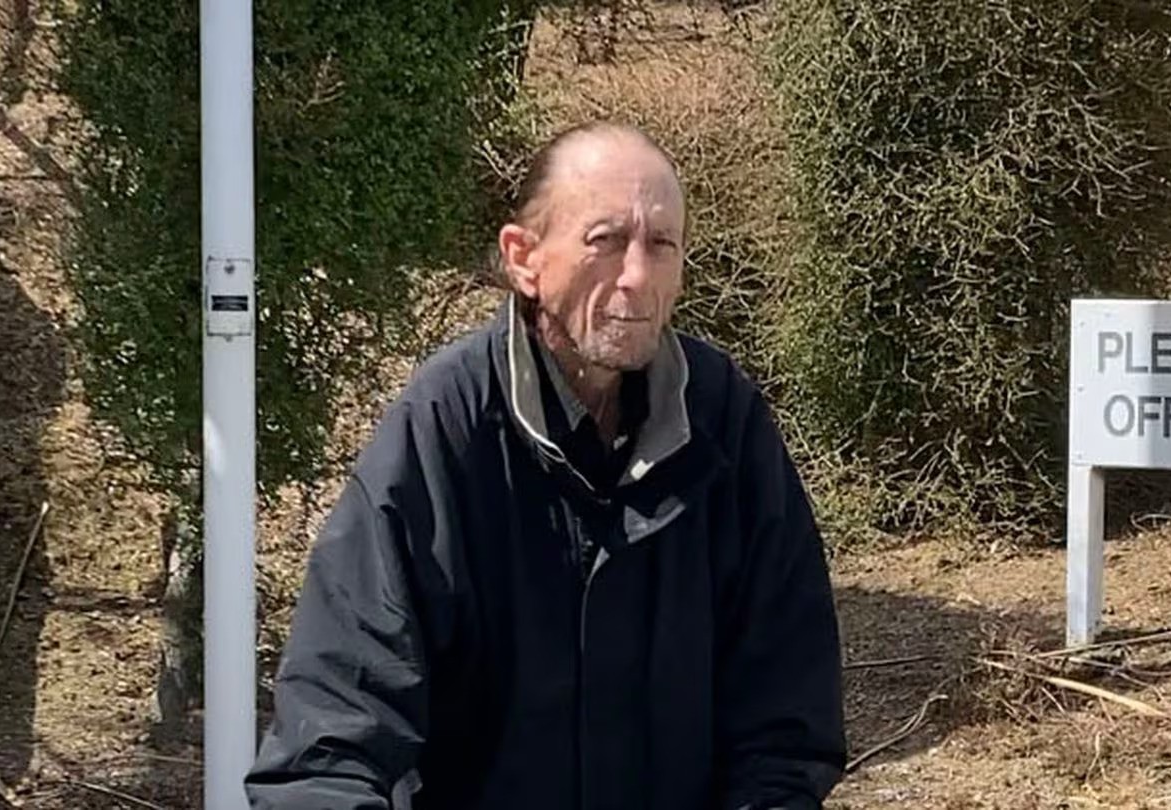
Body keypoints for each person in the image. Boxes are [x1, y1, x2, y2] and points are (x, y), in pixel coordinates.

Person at [245, 122, 847, 810]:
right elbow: (331, 746)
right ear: (522, 258)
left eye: (662, 245)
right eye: (606, 241)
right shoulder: (446, 427)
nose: (637, 277)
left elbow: (786, 724)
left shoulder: (723, 421)